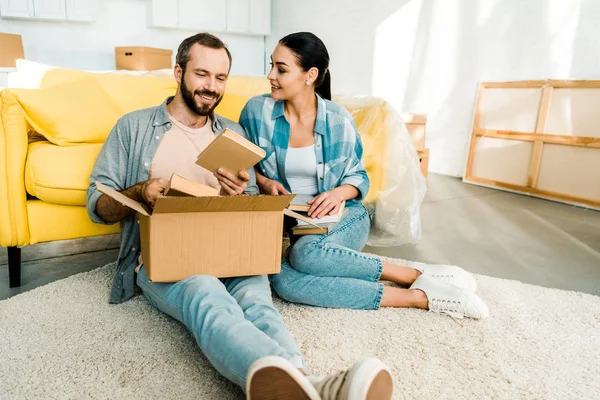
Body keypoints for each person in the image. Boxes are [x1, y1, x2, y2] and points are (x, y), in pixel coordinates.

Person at [87, 33, 393, 400]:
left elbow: (250, 199)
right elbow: (97, 205)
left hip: (231, 251)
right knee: (208, 298)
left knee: (260, 308)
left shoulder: (234, 133)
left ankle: (303, 384)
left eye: (220, 78)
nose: (211, 87)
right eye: (202, 74)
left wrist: (241, 192)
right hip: (166, 257)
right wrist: (140, 192)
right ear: (178, 72)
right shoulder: (133, 127)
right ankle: (314, 388)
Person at [239, 32, 489, 320]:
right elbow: (249, 162)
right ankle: (419, 296)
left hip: (344, 215)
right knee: (282, 281)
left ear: (310, 75)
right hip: (291, 219)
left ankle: (410, 273)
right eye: (271, 65)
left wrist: (337, 193)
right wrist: (265, 181)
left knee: (304, 255)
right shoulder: (257, 111)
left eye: (281, 69)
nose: (270, 75)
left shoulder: (337, 120)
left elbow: (359, 177)